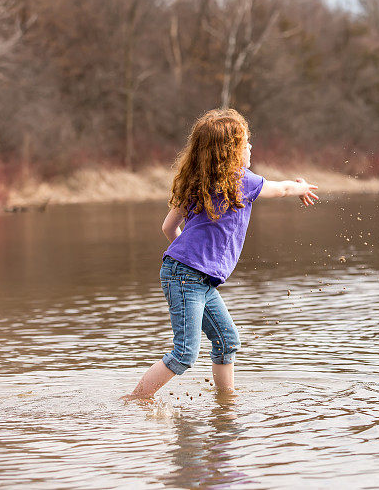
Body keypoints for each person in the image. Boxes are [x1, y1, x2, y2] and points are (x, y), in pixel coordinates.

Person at [124, 108, 319, 400]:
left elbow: (168, 228)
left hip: (191, 276)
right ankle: (135, 400)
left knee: (226, 341)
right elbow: (282, 189)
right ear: (230, 151)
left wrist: (190, 260)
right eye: (245, 143)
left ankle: (226, 404)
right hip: (188, 277)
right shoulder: (243, 181)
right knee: (185, 354)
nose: (250, 147)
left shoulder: (196, 184)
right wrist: (301, 186)